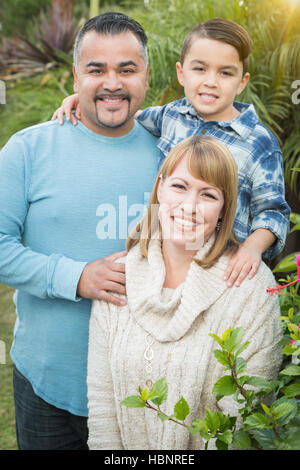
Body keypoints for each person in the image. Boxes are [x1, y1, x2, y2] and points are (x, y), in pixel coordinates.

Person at [0, 12, 161, 450]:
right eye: (96, 70)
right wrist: (76, 277)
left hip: (144, 391)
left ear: (146, 76)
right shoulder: (28, 150)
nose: (112, 82)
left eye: (127, 69)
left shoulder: (174, 157)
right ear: (75, 76)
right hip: (46, 381)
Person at [53, 18, 290, 289]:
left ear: (242, 82)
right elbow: (123, 113)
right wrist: (82, 100)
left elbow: (273, 211)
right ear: (181, 73)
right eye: (199, 69)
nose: (210, 81)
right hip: (163, 264)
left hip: (221, 272)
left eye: (225, 73)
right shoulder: (170, 116)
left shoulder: (259, 142)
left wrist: (252, 248)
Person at [87, 135, 282, 450]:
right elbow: (102, 407)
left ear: (224, 209)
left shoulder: (252, 287)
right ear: (160, 188)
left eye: (208, 194)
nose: (189, 206)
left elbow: (244, 421)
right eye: (179, 187)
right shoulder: (120, 276)